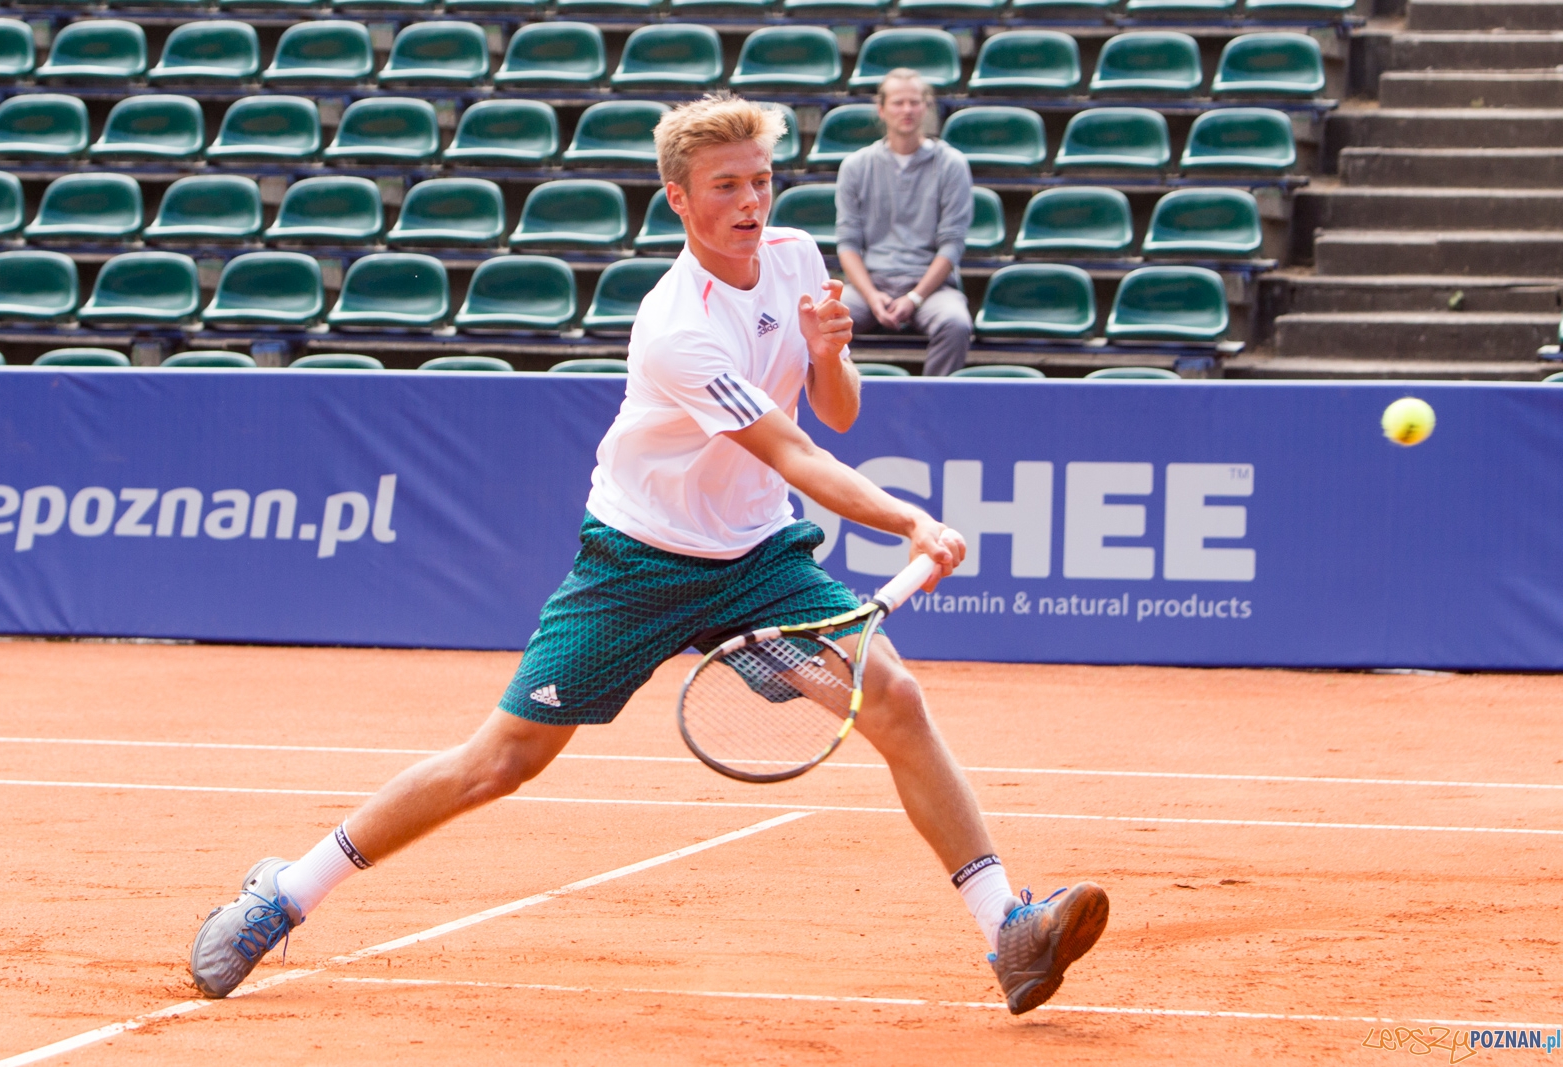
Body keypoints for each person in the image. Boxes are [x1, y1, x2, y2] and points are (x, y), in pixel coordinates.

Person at [188, 94, 1107, 1016]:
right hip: (636, 562)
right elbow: (795, 452)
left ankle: (1008, 930)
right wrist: (907, 520)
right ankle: (284, 892)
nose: (752, 202)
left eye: (762, 180)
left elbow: (837, 412)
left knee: (896, 700)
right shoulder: (677, 326)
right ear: (679, 198)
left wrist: (829, 353)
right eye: (727, 187)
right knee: (499, 762)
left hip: (758, 563)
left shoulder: (794, 260)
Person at [835, 69, 976, 377]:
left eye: (914, 102)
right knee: (825, 322)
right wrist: (872, 295)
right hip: (871, 283)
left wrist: (914, 297)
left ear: (926, 107)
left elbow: (952, 244)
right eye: (898, 102)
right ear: (882, 109)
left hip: (931, 286)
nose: (907, 110)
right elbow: (848, 243)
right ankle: (840, 401)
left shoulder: (951, 164)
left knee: (956, 323)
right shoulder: (856, 166)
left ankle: (932, 411)